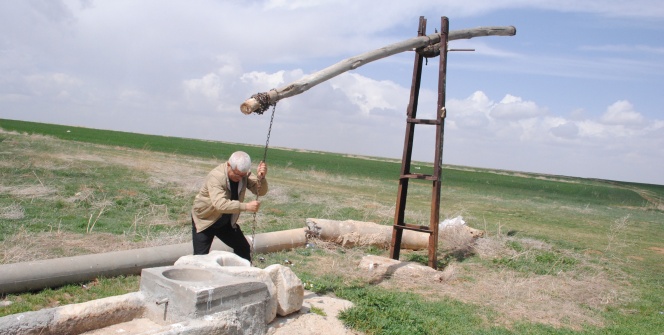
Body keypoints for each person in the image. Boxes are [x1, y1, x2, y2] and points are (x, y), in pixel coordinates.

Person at [191, 151, 268, 261]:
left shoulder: (243, 173)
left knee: (243, 249)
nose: (240, 178)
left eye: (243, 175)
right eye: (237, 174)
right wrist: (246, 206)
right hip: (206, 219)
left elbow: (260, 191)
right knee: (200, 258)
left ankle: (241, 276)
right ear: (228, 165)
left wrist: (261, 178)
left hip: (226, 222)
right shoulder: (216, 176)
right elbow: (220, 204)